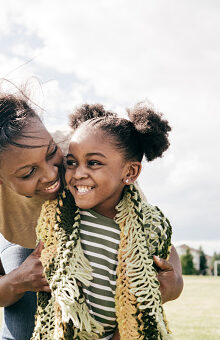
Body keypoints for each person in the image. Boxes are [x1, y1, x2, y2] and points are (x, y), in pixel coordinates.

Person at [0, 87, 183, 340]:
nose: (52, 175)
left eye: (52, 154)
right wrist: (19, 279)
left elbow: (143, 237)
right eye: (28, 172)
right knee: (22, 327)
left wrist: (174, 281)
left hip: (88, 250)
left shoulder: (84, 152)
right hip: (28, 245)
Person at [32, 103, 183, 339]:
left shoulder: (144, 223)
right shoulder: (60, 218)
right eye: (71, 162)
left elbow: (165, 255)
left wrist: (177, 281)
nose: (78, 173)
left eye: (93, 163)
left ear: (130, 172)